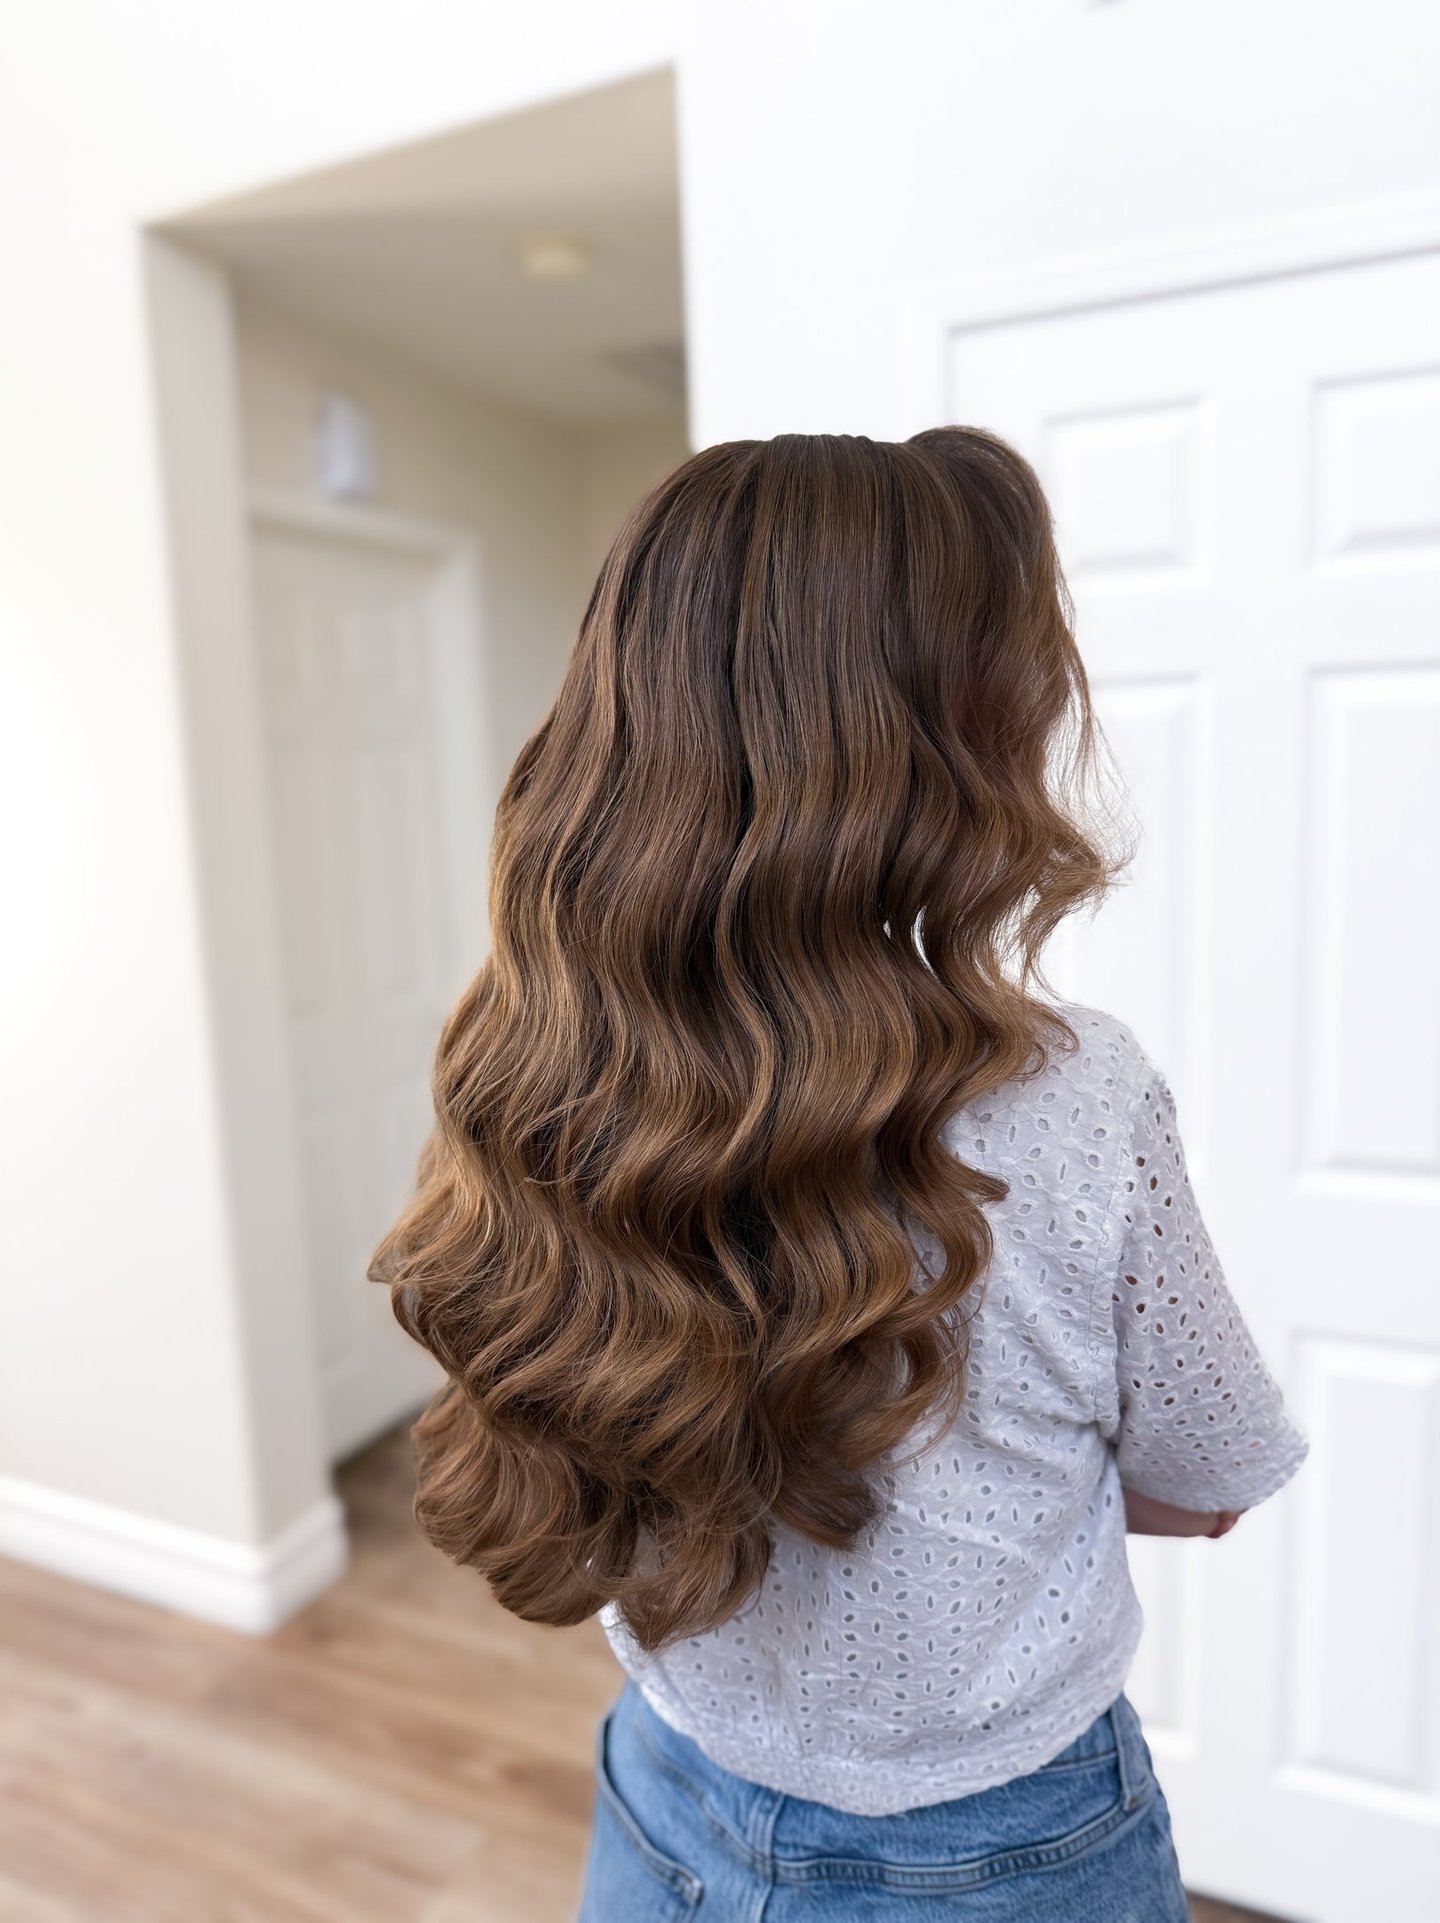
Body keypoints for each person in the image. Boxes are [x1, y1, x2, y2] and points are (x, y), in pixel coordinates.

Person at [371, 428, 1309, 1921]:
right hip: (1005, 1857)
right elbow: (1210, 1483)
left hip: (668, 1806)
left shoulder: (545, 1060)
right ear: (954, 721)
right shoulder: (1073, 1099)